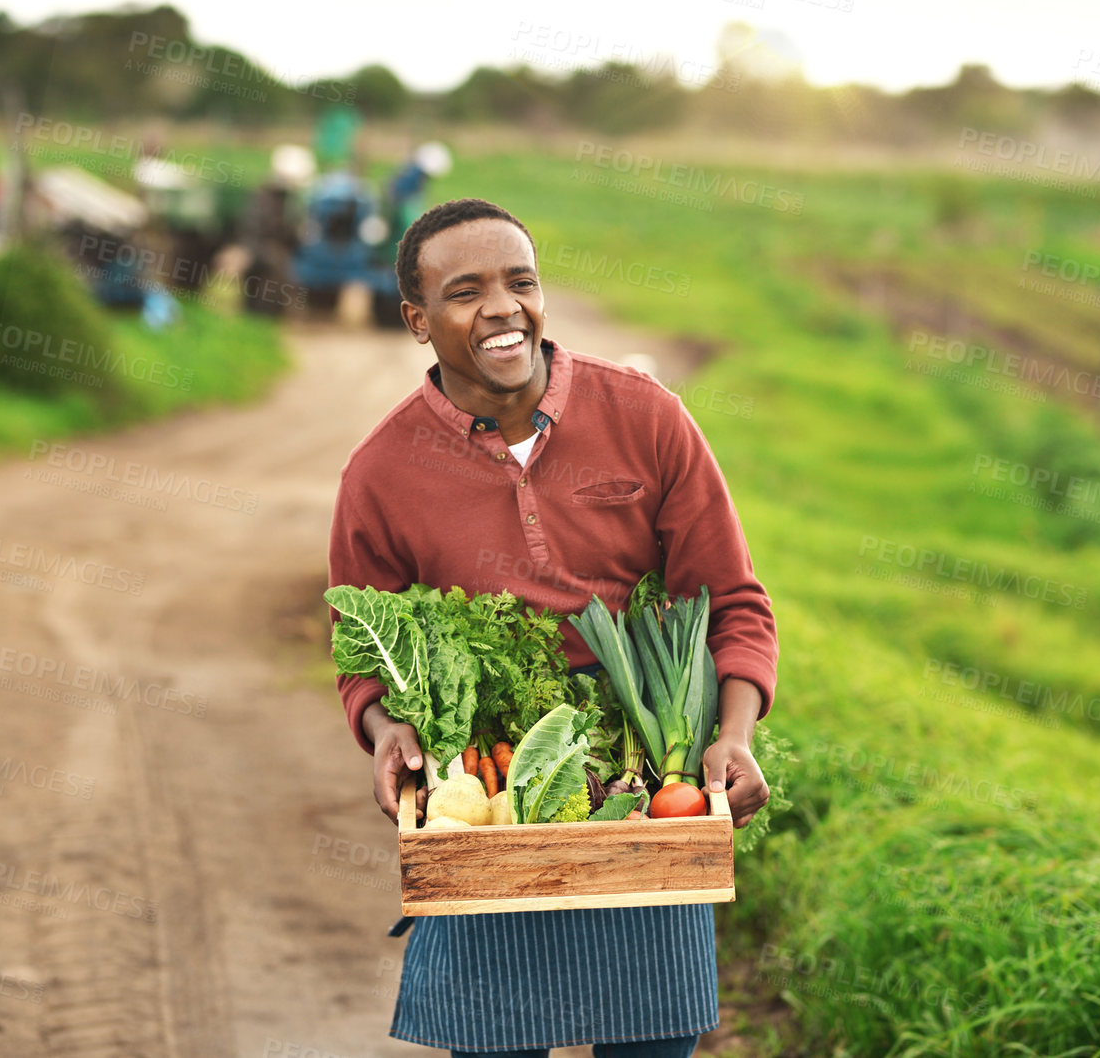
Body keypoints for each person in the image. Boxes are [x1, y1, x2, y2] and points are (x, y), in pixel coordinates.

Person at [328, 198, 778, 1057]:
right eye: (465, 291)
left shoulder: (645, 416)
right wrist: (385, 728)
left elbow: (732, 601)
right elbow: (361, 656)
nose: (502, 307)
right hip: (488, 811)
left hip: (640, 793)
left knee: (652, 1041)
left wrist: (732, 732)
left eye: (519, 282)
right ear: (416, 320)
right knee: (494, 1040)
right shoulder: (381, 473)